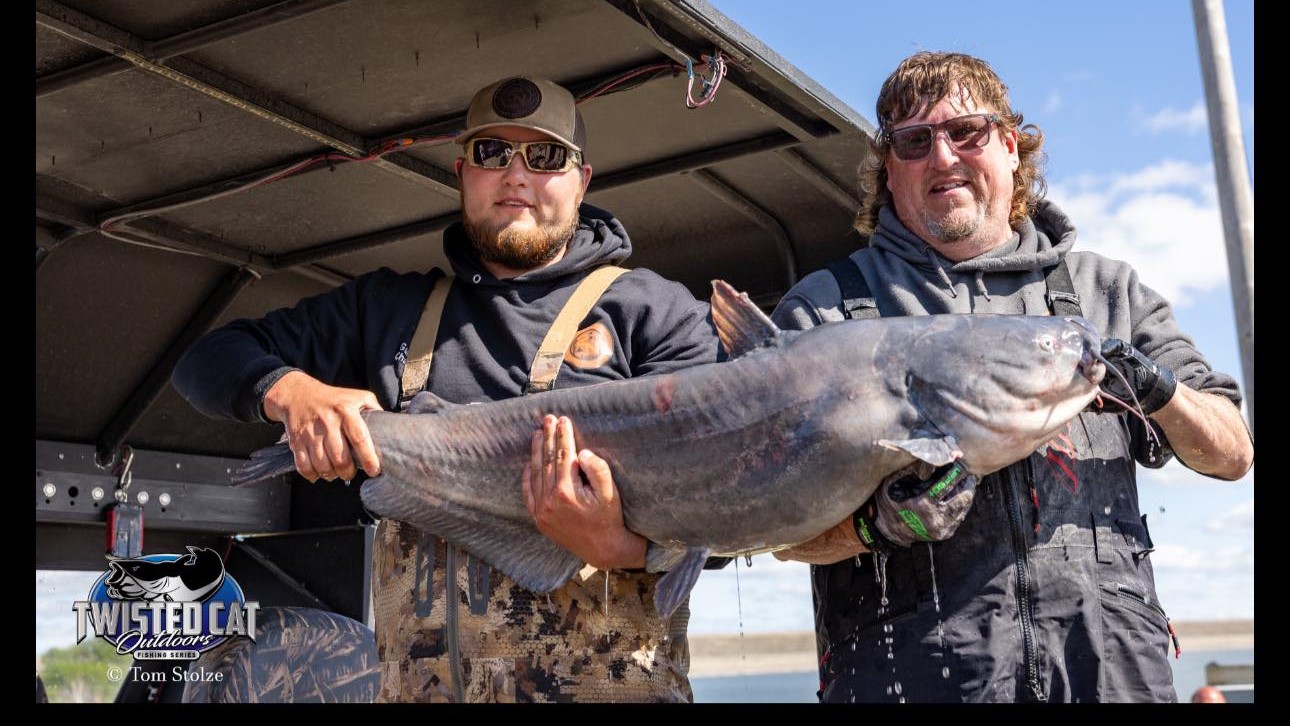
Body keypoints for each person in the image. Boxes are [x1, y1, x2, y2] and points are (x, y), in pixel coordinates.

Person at [171, 76, 722, 702]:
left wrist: (628, 547)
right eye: (492, 154)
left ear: (582, 180)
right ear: (463, 173)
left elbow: (730, 500)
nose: (516, 175)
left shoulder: (657, 314)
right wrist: (291, 392)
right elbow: (205, 361)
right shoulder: (385, 310)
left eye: (544, 157)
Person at [771, 52, 1253, 703]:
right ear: (888, 167)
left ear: (1008, 143)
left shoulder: (1107, 291)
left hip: (1108, 673)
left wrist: (1159, 391)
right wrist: (872, 526)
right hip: (908, 677)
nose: (942, 157)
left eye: (965, 131)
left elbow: (1232, 453)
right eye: (914, 142)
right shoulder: (824, 312)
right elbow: (777, 527)